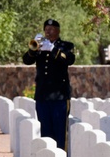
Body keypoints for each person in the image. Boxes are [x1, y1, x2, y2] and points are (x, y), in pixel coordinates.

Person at [22, 18, 76, 150]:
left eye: (51, 29)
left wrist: (52, 49)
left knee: (59, 131)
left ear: (58, 31)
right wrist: (33, 49)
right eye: (46, 29)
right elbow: (27, 60)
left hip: (59, 96)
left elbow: (69, 59)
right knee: (45, 130)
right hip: (42, 95)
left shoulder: (65, 46)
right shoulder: (40, 46)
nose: (48, 32)